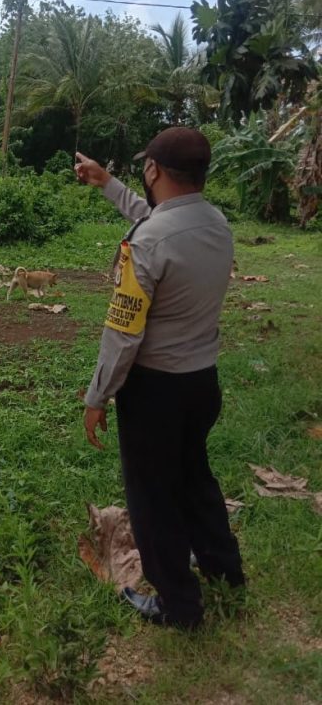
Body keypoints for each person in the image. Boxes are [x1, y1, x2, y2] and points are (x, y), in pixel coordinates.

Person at [74, 128, 244, 629]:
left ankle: (178, 604)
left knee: (152, 497)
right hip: (201, 382)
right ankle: (223, 568)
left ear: (152, 170)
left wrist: (98, 395)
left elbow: (123, 332)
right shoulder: (216, 223)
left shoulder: (148, 241)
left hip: (155, 391)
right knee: (194, 477)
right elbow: (158, 218)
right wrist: (107, 183)